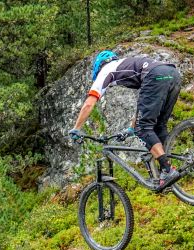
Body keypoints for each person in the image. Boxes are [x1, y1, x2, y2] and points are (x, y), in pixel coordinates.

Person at [69, 50, 182, 187]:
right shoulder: (126, 66)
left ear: (98, 67)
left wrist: (76, 128)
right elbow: (142, 105)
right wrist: (131, 128)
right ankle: (169, 171)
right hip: (173, 74)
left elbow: (89, 103)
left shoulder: (106, 71)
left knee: (143, 129)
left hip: (156, 76)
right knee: (158, 126)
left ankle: (167, 169)